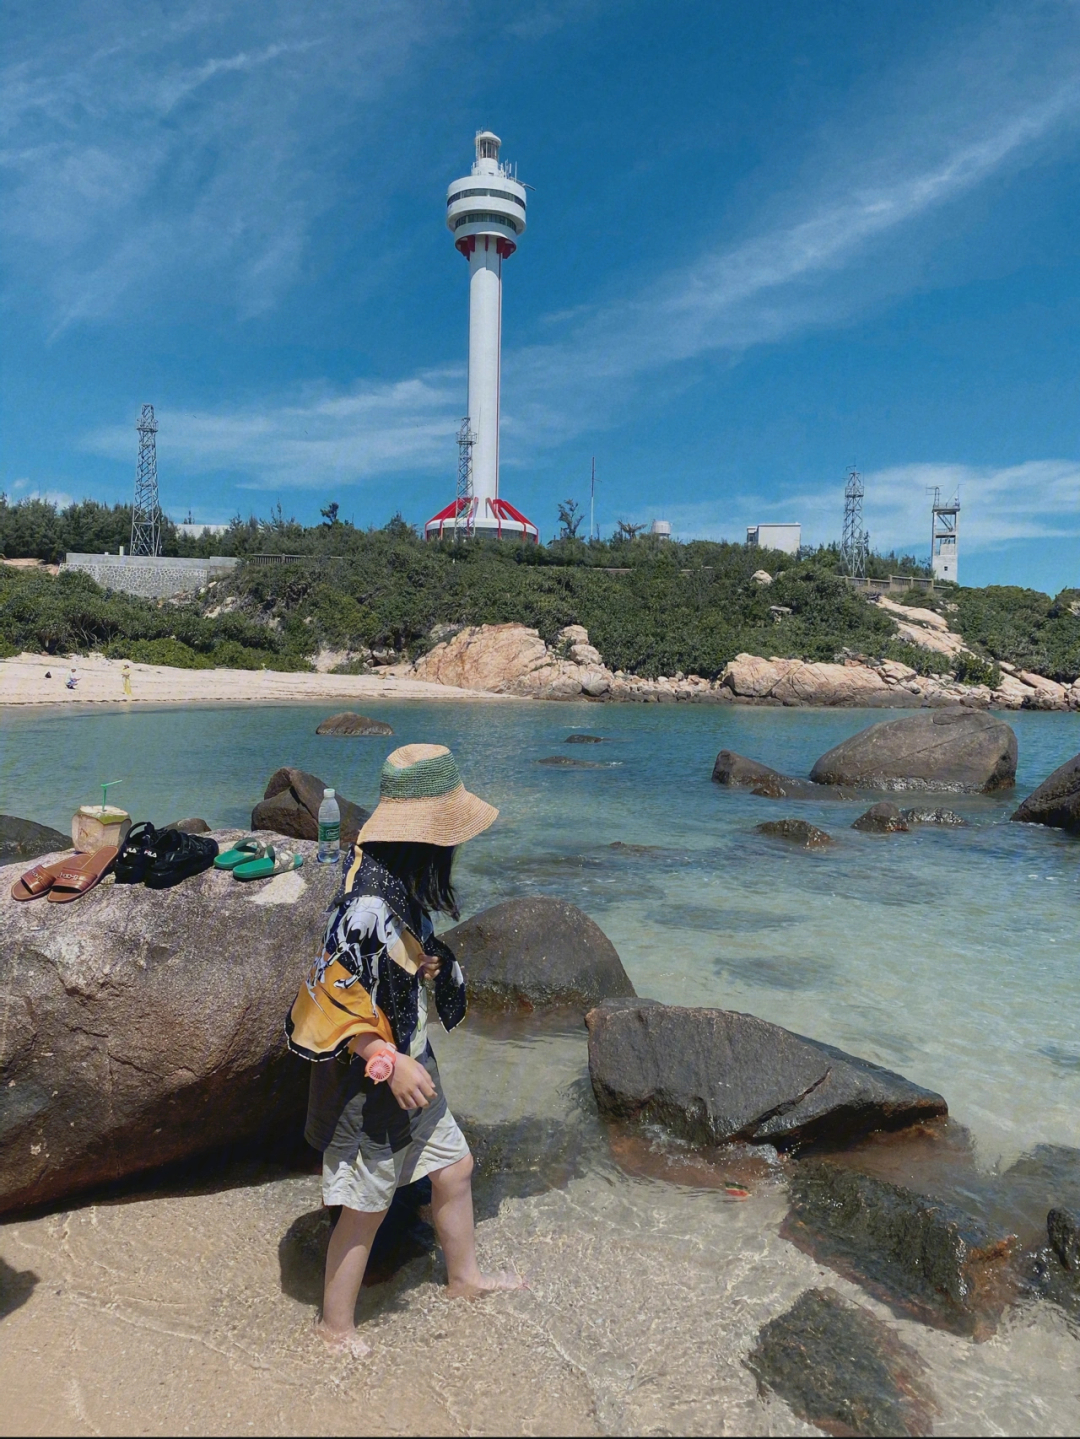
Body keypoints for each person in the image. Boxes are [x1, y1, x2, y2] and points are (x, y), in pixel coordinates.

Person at [285, 743, 523, 1357]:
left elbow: (397, 961)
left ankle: (464, 1280)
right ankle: (334, 1327)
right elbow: (329, 995)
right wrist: (383, 1059)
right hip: (375, 1082)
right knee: (363, 1207)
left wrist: (429, 967)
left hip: (413, 1066)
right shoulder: (366, 903)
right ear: (429, 838)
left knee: (455, 1168)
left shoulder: (398, 885)